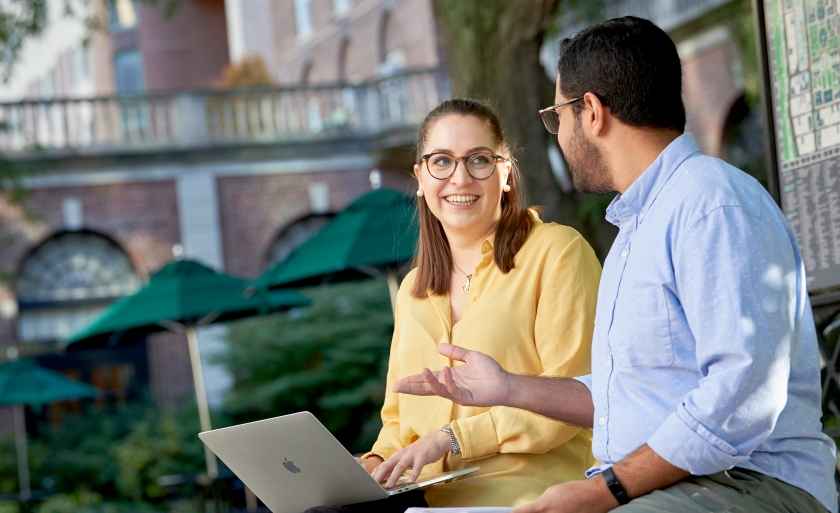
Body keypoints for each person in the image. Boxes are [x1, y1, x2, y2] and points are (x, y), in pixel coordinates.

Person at [394, 16, 837, 513]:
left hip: (748, 485)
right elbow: (624, 396)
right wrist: (510, 387)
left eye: (556, 116)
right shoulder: (641, 225)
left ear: (591, 112)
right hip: (678, 488)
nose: (558, 133)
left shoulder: (711, 203)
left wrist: (606, 489)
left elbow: (743, 396)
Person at [307, 99, 602, 512]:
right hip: (420, 499)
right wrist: (374, 462)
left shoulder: (557, 253)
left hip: (524, 496)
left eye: (478, 160)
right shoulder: (413, 291)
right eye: (442, 162)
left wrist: (452, 439)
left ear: (504, 172)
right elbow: (397, 422)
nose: (459, 178)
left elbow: (581, 399)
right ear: (421, 178)